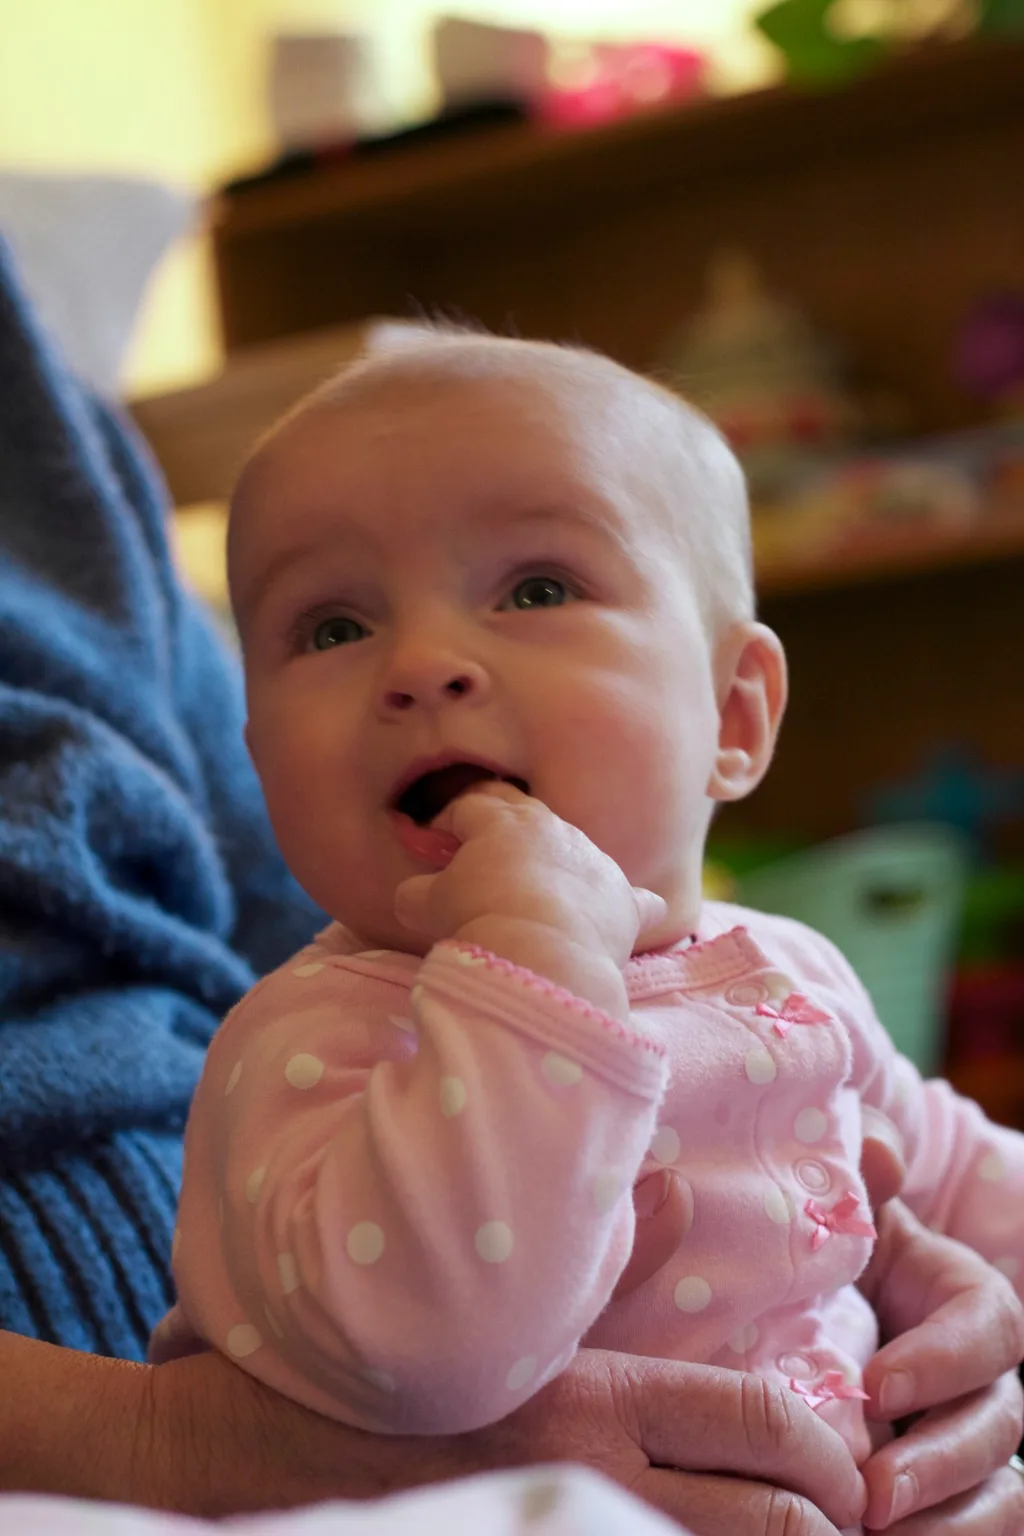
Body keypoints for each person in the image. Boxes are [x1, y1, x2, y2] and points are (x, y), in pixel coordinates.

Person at [0, 238, 1021, 1536]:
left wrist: (969, 1324)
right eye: (331, 626)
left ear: (735, 716)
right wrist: (534, 960)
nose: (421, 664)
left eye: (537, 588)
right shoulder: (309, 1052)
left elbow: (944, 1162)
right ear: (259, 764)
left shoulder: (787, 974)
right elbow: (440, 1356)